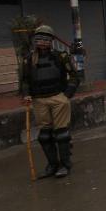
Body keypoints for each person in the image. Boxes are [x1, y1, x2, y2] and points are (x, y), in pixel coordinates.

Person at [21, 25, 78, 178]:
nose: (43, 42)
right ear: (34, 41)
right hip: (39, 100)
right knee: (44, 135)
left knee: (61, 134)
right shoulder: (28, 60)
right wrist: (26, 94)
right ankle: (52, 165)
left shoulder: (61, 57)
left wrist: (67, 95)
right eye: (39, 39)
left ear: (51, 41)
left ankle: (65, 164)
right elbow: (25, 80)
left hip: (58, 97)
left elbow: (74, 76)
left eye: (46, 39)